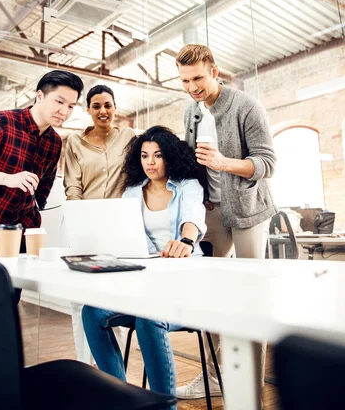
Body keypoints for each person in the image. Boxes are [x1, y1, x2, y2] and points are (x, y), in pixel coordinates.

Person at [0, 69, 84, 410]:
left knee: (5, 313)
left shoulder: (54, 141)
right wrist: (6, 179)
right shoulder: (0, 122)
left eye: (71, 106)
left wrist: (35, 217)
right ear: (39, 95)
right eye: (59, 101)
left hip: (16, 237)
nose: (64, 112)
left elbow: (42, 188)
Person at [174, 44, 277, 402]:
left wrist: (223, 163)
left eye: (198, 78)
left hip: (248, 210)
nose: (192, 87)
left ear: (214, 71)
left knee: (250, 296)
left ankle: (251, 382)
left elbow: (267, 163)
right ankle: (215, 376)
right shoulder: (192, 111)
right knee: (210, 294)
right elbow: (190, 160)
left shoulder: (246, 106)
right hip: (212, 211)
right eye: (185, 81)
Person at [82, 126, 206, 407]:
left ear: (170, 157)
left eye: (158, 155)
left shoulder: (188, 185)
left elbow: (193, 217)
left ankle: (165, 407)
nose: (150, 162)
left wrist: (185, 240)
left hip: (184, 284)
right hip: (145, 284)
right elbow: (125, 238)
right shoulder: (132, 193)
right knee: (92, 312)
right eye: (145, 155)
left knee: (149, 318)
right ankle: (120, 399)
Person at [64, 84, 135, 362]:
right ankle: (84, 362)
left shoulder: (129, 137)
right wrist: (80, 224)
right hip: (84, 222)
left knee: (113, 299)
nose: (103, 111)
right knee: (80, 297)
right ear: (88, 110)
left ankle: (112, 368)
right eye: (96, 106)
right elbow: (73, 186)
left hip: (118, 225)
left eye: (108, 105)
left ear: (115, 108)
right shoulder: (74, 141)